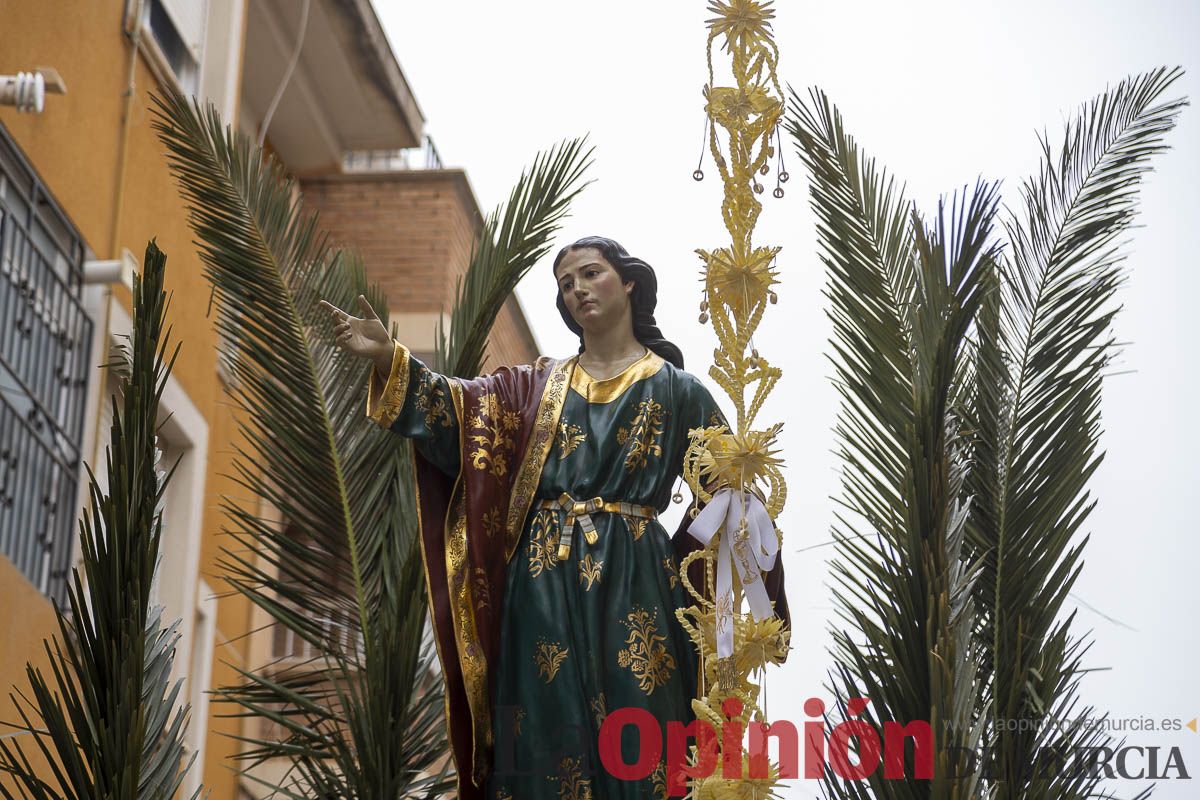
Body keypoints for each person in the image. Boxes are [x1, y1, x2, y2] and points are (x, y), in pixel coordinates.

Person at [318, 236, 788, 800]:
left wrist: (733, 551)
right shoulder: (533, 389)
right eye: (567, 284)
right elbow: (464, 414)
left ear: (630, 282)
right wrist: (392, 359)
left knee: (643, 735)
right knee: (541, 736)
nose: (578, 290)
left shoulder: (679, 390)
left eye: (590, 274)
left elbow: (729, 497)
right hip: (540, 583)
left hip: (635, 577)